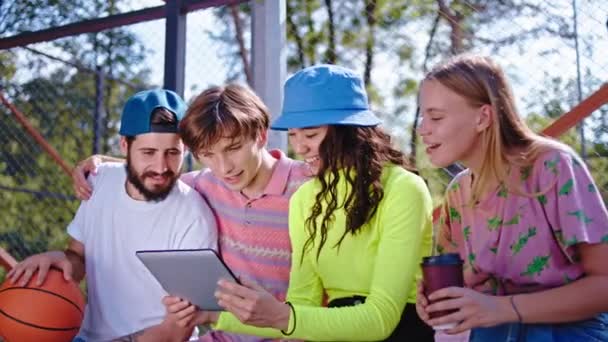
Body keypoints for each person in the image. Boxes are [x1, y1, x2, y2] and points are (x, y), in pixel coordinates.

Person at [168, 64, 436, 341]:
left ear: (350, 130)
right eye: (294, 135)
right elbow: (300, 309)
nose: (301, 147)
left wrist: (283, 316)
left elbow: (381, 319)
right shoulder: (307, 199)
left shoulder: (404, 189)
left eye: (311, 135)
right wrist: (213, 315)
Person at [71, 84, 311, 341]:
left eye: (233, 148)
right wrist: (103, 163)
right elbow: (155, 173)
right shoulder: (207, 184)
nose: (224, 167)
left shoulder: (310, 189)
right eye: (208, 154)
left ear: (261, 136)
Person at [415, 55, 608, 341]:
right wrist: (437, 300)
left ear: (483, 117)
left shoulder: (552, 167)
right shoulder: (458, 193)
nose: (422, 128)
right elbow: (467, 293)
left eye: (436, 117)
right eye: (422, 116)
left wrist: (502, 309)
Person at [8, 89, 218, 342]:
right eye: (148, 153)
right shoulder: (101, 180)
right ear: (124, 146)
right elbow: (78, 257)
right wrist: (57, 259)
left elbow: (177, 329)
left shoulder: (193, 215)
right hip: (84, 335)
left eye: (173, 153)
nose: (161, 167)